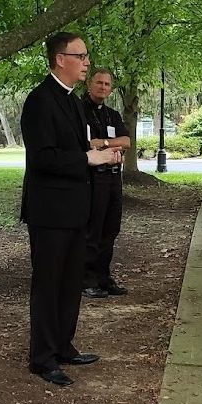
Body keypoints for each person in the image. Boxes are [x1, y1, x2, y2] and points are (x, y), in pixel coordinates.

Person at [20, 32, 121, 387]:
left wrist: (100, 151)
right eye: (81, 56)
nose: (87, 62)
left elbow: (78, 148)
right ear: (61, 58)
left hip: (76, 208)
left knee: (69, 282)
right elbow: (43, 158)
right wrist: (87, 157)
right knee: (48, 284)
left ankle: (63, 345)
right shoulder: (39, 101)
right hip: (50, 212)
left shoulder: (72, 101)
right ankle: (42, 357)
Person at [81, 69, 131, 298]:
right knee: (93, 229)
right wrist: (108, 145)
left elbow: (126, 141)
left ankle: (104, 277)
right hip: (93, 178)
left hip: (113, 178)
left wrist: (103, 142)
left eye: (107, 84)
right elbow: (84, 143)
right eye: (99, 83)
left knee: (111, 228)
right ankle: (87, 279)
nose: (103, 87)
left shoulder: (113, 115)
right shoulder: (80, 111)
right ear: (89, 84)